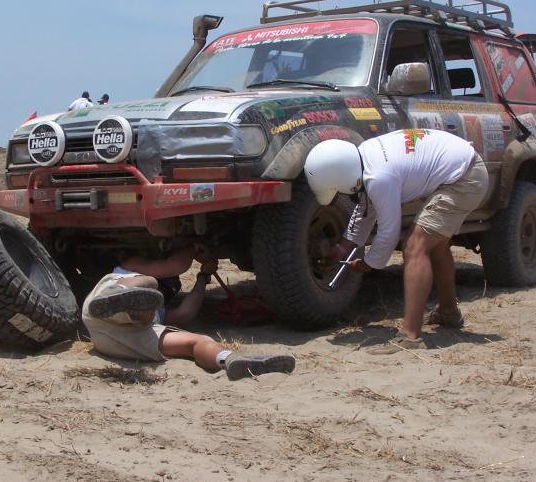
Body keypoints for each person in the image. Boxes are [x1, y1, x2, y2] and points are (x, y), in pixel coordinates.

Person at [304, 129, 489, 354]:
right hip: (462, 169)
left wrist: (368, 263)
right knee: (436, 246)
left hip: (464, 178)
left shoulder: (378, 177)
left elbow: (389, 232)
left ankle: (411, 337)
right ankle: (449, 313)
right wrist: (342, 249)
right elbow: (365, 210)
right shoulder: (365, 157)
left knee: (414, 244)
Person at [82, 246, 296, 380]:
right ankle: (124, 298)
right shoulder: (130, 267)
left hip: (117, 339)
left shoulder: (158, 307)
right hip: (105, 305)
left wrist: (203, 275)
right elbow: (175, 265)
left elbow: (185, 313)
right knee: (149, 284)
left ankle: (230, 360)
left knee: (196, 341)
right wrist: (192, 246)